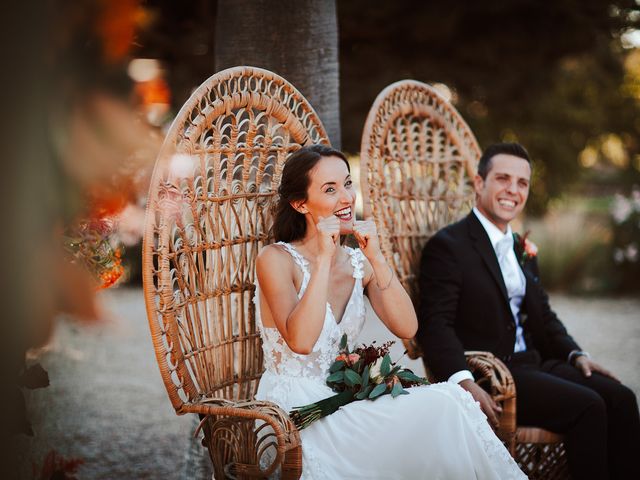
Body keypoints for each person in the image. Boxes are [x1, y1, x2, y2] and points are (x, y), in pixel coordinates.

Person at [254, 144, 525, 479]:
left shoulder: (358, 264)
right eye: (330, 189)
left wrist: (377, 257)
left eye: (347, 184)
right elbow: (302, 341)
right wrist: (324, 257)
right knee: (438, 415)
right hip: (295, 413)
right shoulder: (275, 259)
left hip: (343, 402)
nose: (346, 198)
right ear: (300, 204)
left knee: (449, 401)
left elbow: (407, 327)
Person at [417, 142, 640, 480]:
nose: (513, 190)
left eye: (522, 183)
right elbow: (436, 325)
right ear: (479, 183)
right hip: (495, 374)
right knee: (588, 406)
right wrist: (463, 381)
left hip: (534, 362)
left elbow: (544, 316)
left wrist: (575, 354)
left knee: (622, 399)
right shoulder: (449, 246)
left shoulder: (521, 247)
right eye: (503, 178)